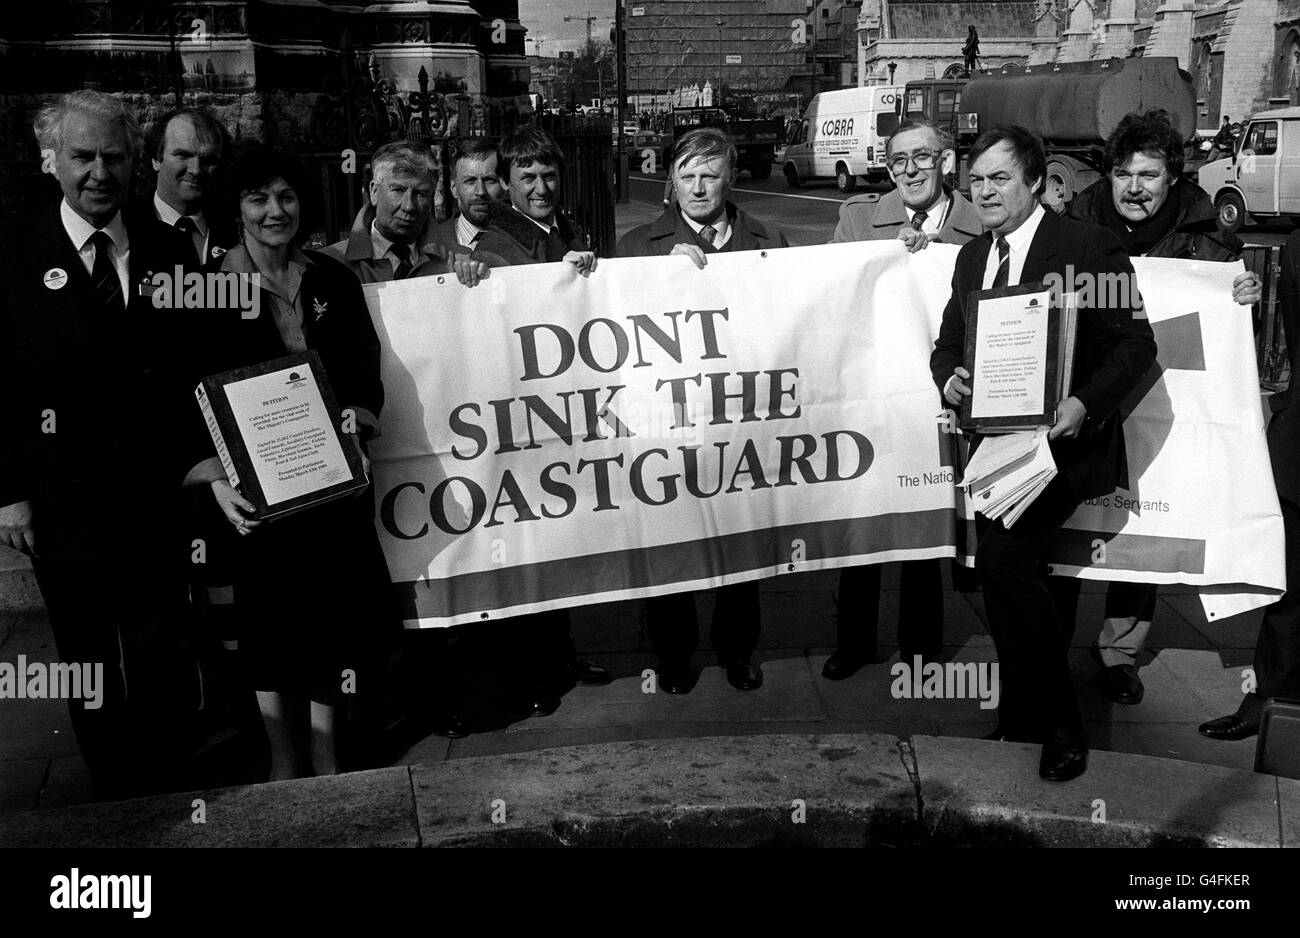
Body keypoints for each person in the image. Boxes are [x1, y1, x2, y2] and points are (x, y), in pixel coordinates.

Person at [931, 125, 1157, 781]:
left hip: (1063, 448)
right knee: (1015, 580)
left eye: (1000, 178)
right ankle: (1026, 715)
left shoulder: (1086, 247)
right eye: (976, 181)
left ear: (1035, 181)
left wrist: (1083, 404)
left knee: (1005, 562)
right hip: (998, 445)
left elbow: (1136, 347)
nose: (985, 191)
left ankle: (1061, 727)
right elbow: (947, 345)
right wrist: (952, 377)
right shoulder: (972, 259)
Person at [0, 91, 203, 799]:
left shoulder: (169, 249)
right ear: (50, 159)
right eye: (83, 156)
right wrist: (10, 495)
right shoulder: (14, 256)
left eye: (113, 157)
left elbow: (196, 371)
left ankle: (169, 786)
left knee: (161, 650)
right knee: (86, 659)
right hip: (63, 502)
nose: (99, 172)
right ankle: (116, 797)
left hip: (155, 496)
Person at [187, 142, 401, 780]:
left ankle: (328, 751)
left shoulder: (331, 278)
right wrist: (213, 478)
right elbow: (181, 391)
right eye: (258, 198)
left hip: (330, 489)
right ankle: (282, 756)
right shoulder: (204, 290)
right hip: (255, 495)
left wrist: (358, 430)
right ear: (237, 208)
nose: (275, 210)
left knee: (333, 621)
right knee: (268, 626)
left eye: (285, 196)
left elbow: (364, 370)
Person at [1064, 109, 1262, 706]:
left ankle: (1120, 654)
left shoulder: (1205, 233)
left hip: (1161, 401)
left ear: (1172, 177)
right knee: (1073, 518)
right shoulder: (1077, 218)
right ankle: (1049, 645)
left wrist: (1239, 296)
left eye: (1148, 175)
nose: (1133, 188)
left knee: (1148, 515)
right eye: (1123, 173)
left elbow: (1223, 318)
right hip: (1093, 393)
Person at [615, 127, 788, 693]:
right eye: (686, 175)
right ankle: (673, 657)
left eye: (709, 174)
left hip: (742, 417)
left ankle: (738, 652)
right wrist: (659, 276)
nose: (698, 187)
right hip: (671, 423)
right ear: (671, 180)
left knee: (741, 540)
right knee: (673, 545)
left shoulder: (767, 239)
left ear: (730, 178)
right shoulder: (638, 247)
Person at [822, 118, 982, 680]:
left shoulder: (980, 223)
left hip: (944, 398)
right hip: (872, 394)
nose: (909, 171)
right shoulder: (859, 219)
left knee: (926, 526)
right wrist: (889, 259)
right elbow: (831, 295)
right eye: (897, 161)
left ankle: (920, 648)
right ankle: (853, 642)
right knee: (864, 523)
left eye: (921, 158)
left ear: (945, 162)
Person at [468, 125, 610, 715]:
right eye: (527, 177)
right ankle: (533, 671)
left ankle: (559, 653)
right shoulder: (495, 243)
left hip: (566, 414)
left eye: (548, 175)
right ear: (508, 184)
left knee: (559, 543)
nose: (541, 186)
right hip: (522, 421)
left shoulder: (568, 227)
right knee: (526, 550)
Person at [1199, 228, 1300, 741]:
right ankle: (1269, 700)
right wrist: (1243, 300)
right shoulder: (1298, 244)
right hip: (1299, 444)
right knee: (1292, 588)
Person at [321, 140, 460, 284]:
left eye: (421, 193)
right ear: (374, 192)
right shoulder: (328, 264)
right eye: (398, 190)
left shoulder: (459, 263)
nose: (409, 206)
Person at [145, 107, 236, 265]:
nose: (195, 170)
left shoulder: (237, 232)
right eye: (183, 155)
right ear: (156, 159)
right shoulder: (125, 228)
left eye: (209, 160)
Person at [435, 137, 506, 251]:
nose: (480, 191)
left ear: (504, 184)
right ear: (454, 188)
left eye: (489, 180)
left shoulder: (526, 241)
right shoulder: (433, 242)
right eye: (470, 181)